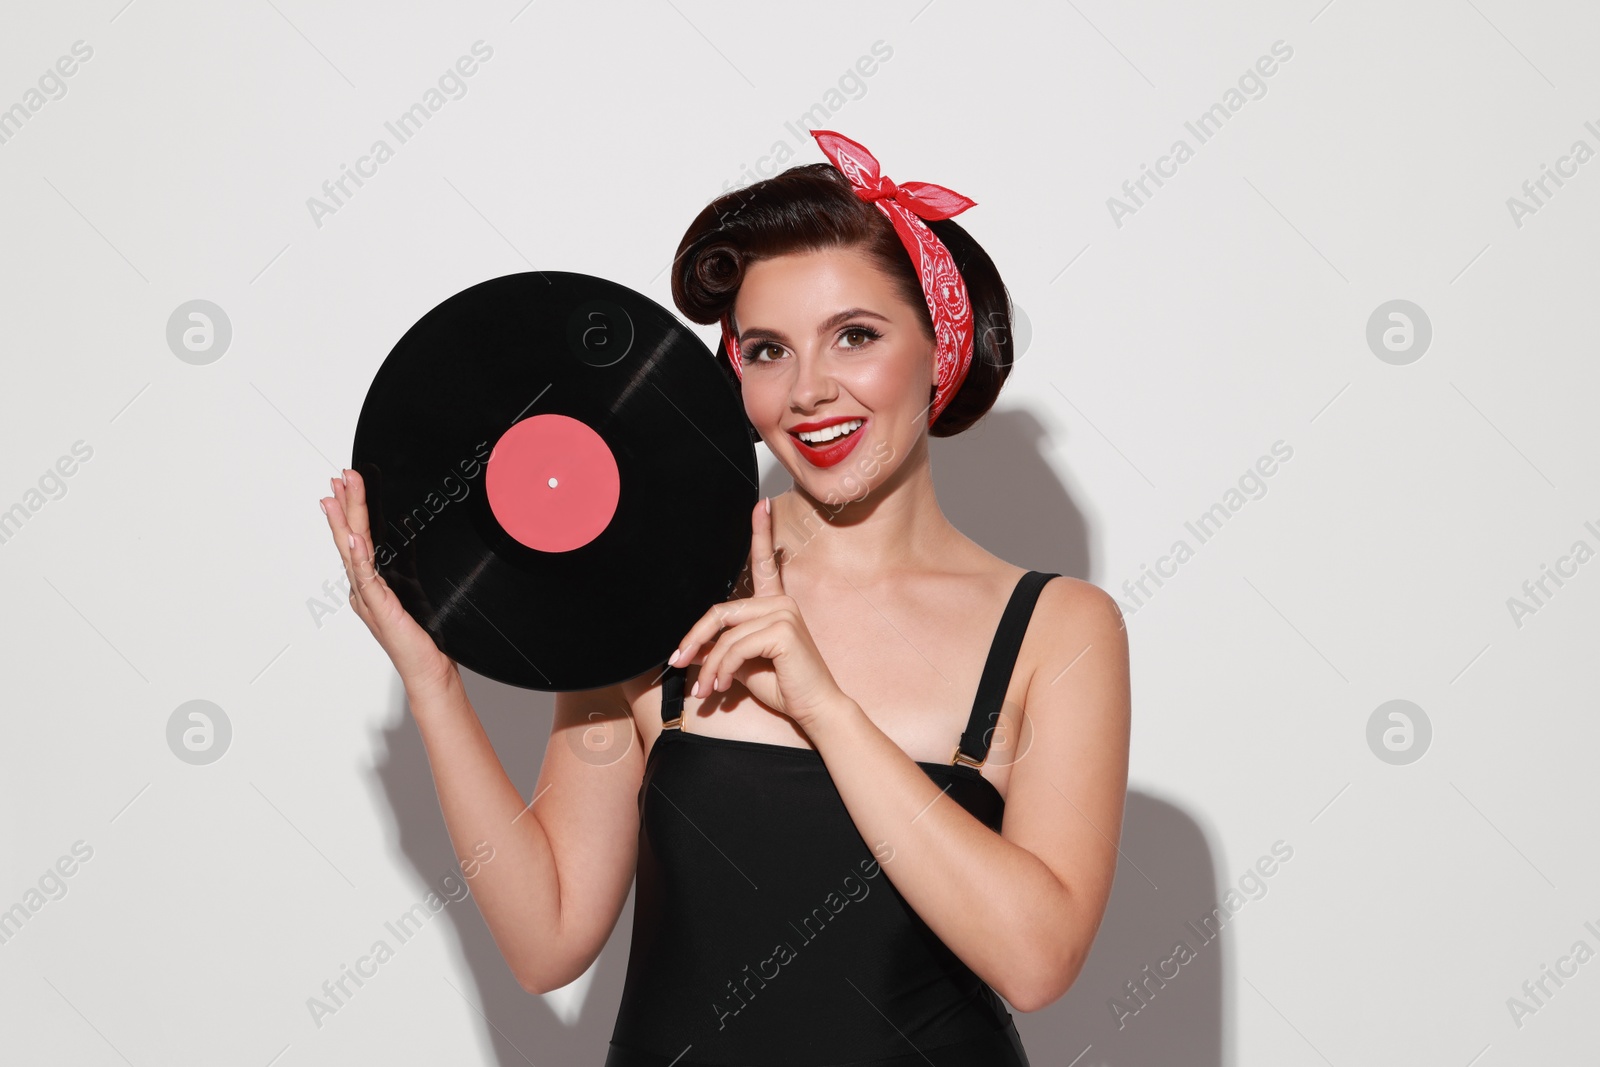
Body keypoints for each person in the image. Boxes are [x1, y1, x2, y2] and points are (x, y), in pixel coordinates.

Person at [319, 130, 1130, 1067]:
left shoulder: (1057, 629)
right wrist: (434, 686)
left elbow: (1036, 959)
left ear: (939, 348)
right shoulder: (655, 580)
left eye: (856, 337)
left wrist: (826, 709)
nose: (810, 391)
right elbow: (546, 939)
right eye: (766, 351)